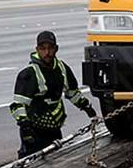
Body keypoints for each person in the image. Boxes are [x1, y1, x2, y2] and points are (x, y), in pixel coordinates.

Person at [9, 30, 96, 158]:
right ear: (37, 49)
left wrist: (87, 108)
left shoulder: (62, 69)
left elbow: (72, 93)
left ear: (56, 49)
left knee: (56, 159)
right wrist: (25, 126)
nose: (47, 53)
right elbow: (18, 104)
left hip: (54, 128)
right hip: (34, 130)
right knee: (31, 162)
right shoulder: (29, 74)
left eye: (50, 48)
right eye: (43, 49)